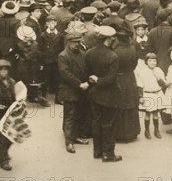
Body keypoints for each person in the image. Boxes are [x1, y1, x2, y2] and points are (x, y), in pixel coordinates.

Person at [84, 26, 122, 162]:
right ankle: (108, 153)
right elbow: (111, 79)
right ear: (108, 39)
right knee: (109, 124)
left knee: (96, 122)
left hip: (94, 93)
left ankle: (97, 151)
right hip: (109, 95)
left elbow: (87, 73)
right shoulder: (113, 56)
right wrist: (100, 80)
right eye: (112, 38)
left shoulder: (89, 53)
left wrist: (95, 79)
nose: (114, 40)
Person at [58, 30, 90, 153]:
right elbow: (65, 74)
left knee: (78, 114)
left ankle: (75, 137)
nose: (77, 44)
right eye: (75, 42)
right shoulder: (63, 55)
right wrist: (79, 84)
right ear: (68, 42)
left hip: (81, 89)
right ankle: (69, 142)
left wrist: (87, 81)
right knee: (70, 116)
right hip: (69, 90)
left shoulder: (82, 53)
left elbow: (85, 68)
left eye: (78, 42)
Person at [113, 26, 141, 142]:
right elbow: (134, 64)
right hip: (130, 78)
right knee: (131, 104)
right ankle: (131, 133)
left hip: (118, 79)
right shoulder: (133, 48)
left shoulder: (114, 50)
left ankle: (119, 134)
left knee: (119, 105)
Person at [136, 52, 166, 139]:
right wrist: (141, 97)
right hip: (148, 94)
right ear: (146, 62)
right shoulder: (143, 72)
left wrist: (158, 78)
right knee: (148, 113)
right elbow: (140, 85)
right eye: (150, 61)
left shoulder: (159, 70)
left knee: (156, 113)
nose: (152, 63)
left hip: (157, 93)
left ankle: (156, 130)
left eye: (154, 61)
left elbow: (163, 84)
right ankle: (147, 131)